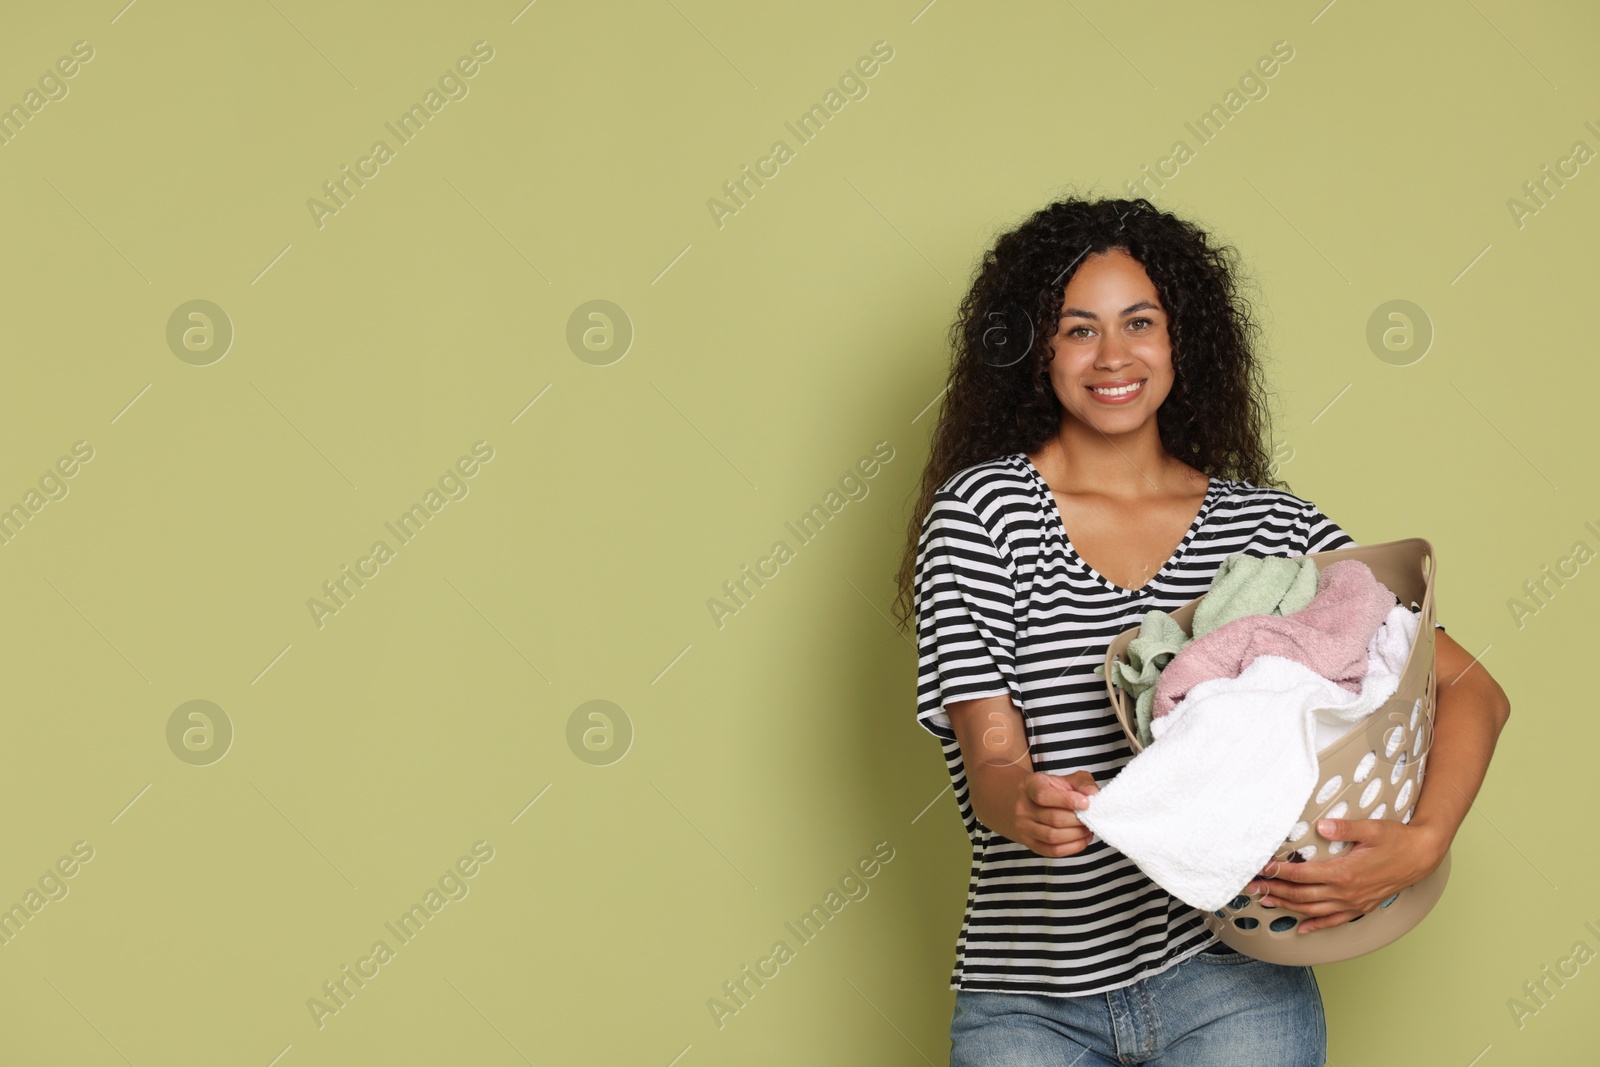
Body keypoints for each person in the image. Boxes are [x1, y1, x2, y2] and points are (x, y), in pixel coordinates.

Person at [891, 195, 1511, 1065]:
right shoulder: (984, 514)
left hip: (1234, 983)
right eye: (1078, 329)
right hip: (1028, 999)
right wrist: (1021, 796)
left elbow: (1470, 685)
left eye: (1139, 321)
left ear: (1183, 337)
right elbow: (991, 754)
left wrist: (1423, 842)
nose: (1114, 355)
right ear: (1036, 352)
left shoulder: (1271, 530)